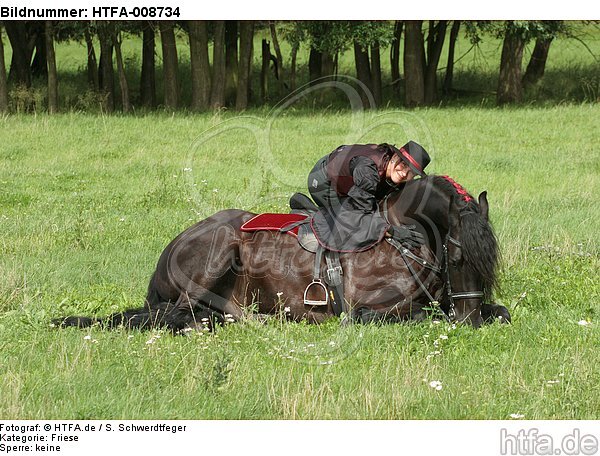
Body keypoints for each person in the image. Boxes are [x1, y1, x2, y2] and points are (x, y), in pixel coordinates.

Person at [307, 141, 431, 252]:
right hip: (323, 181)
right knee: (351, 226)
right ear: (395, 156)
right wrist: (392, 231)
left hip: (354, 181)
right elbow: (358, 213)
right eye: (403, 164)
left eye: (411, 172)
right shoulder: (368, 170)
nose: (404, 173)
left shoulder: (390, 170)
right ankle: (308, 207)